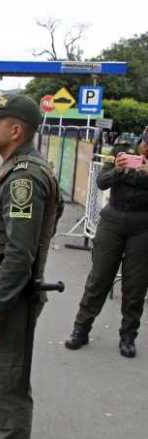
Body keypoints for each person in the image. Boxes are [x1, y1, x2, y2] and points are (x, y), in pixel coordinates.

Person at [0, 95, 63, 439]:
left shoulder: (24, 179)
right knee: (1, 372)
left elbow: (20, 255)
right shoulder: (16, 166)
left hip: (10, 292)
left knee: (8, 379)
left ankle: (10, 430)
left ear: (16, 130)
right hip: (1, 283)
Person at [64, 136, 148, 358]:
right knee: (99, 278)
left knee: (136, 285)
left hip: (143, 226)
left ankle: (128, 337)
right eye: (146, 145)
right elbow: (102, 182)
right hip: (112, 221)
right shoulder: (121, 149)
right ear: (142, 140)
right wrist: (119, 171)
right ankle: (80, 329)